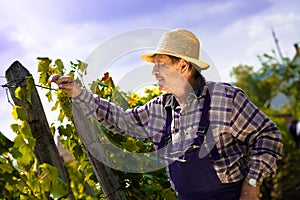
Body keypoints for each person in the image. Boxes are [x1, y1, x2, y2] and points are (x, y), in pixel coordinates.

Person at [50, 28, 283, 200]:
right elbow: (122, 121)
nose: (153, 71)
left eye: (160, 64)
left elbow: (268, 136)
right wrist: (78, 92)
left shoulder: (224, 98)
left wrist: (252, 183)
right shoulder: (160, 109)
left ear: (183, 65)